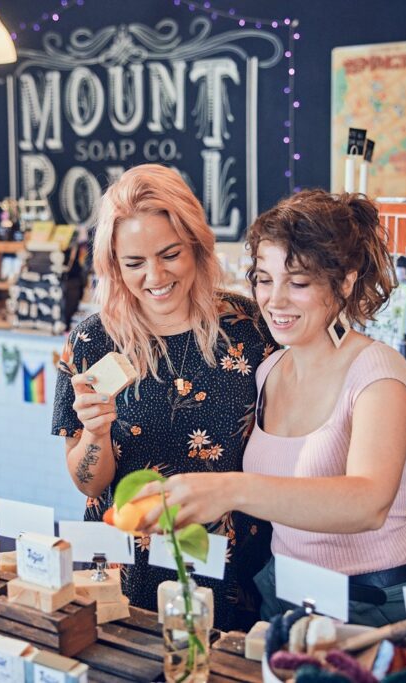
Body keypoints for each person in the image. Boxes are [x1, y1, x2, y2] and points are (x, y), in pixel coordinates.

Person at [138, 189, 406, 627]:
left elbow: (368, 503)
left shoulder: (377, 371)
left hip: (375, 603)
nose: (275, 300)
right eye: (264, 278)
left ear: (345, 281)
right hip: (286, 595)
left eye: (298, 282)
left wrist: (229, 490)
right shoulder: (269, 369)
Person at [52, 164, 275, 631]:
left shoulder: (252, 329)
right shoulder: (93, 342)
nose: (155, 276)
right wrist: (96, 431)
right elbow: (89, 485)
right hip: (127, 566)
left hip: (231, 564)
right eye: (133, 263)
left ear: (196, 243)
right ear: (114, 264)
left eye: (170, 254)